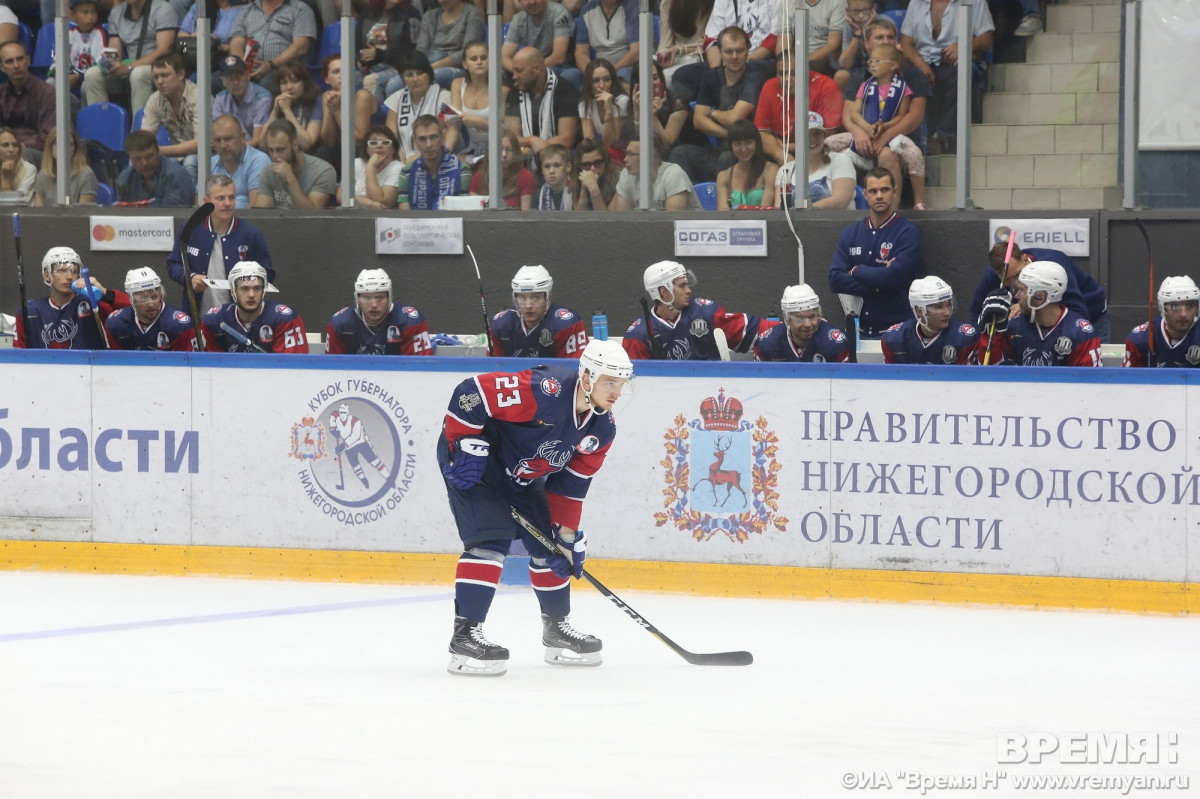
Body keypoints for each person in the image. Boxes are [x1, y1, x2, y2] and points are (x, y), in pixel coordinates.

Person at [438, 338, 634, 676]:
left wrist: (566, 536)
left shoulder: (602, 428)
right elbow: (471, 393)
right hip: (478, 461)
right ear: (587, 377)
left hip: (521, 476)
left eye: (622, 384)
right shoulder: (546, 390)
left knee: (550, 546)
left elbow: (571, 486)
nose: (617, 391)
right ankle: (465, 635)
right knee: (491, 540)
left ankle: (556, 631)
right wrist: (463, 441)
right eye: (610, 382)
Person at [825, 42, 927, 209]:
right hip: (865, 133)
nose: (872, 64)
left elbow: (901, 116)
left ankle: (917, 201)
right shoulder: (865, 86)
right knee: (827, 144)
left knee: (914, 154)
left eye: (877, 60)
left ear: (893, 65)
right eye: (870, 61)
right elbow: (854, 114)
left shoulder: (903, 89)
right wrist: (867, 128)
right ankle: (829, 194)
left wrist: (885, 126)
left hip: (893, 138)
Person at [827, 166, 921, 337]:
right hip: (857, 331)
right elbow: (835, 280)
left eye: (884, 190)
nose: (879, 195)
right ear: (865, 195)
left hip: (897, 332)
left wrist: (856, 270)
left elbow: (894, 278)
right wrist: (879, 284)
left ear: (894, 192)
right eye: (873, 191)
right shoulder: (851, 233)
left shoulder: (907, 232)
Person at [167, 174, 274, 315]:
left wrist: (247, 281)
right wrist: (190, 277)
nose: (228, 203)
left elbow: (268, 273)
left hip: (239, 319)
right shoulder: (190, 228)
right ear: (206, 201)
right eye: (221, 198)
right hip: (198, 318)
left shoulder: (251, 234)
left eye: (232, 197)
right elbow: (173, 264)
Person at [838, 17, 931, 177]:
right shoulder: (858, 75)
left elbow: (915, 116)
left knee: (886, 155)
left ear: (897, 43)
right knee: (839, 156)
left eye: (890, 37)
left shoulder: (914, 74)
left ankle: (897, 202)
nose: (886, 41)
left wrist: (886, 136)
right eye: (879, 37)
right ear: (867, 44)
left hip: (900, 140)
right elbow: (847, 115)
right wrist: (859, 134)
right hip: (863, 138)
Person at [672, 26, 765, 185]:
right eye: (729, 52)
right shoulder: (710, 77)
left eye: (740, 51)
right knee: (679, 154)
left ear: (748, 50)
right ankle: (697, 203)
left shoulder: (754, 76)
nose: (734, 57)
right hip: (718, 148)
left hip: (745, 152)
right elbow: (698, 121)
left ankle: (724, 206)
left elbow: (734, 118)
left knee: (725, 158)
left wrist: (712, 113)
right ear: (720, 52)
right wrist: (730, 135)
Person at [969, 241, 1110, 344]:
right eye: (1006, 281)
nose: (1014, 284)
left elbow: (1080, 315)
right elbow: (976, 313)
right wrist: (979, 340)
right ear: (996, 274)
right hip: (1036, 327)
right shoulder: (992, 277)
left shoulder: (1056, 265)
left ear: (1025, 259)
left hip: (1091, 313)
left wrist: (1029, 305)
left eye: (1018, 275)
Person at [900, 0, 994, 153]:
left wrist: (963, 45)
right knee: (908, 77)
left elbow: (986, 40)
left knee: (962, 73)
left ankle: (944, 137)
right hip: (922, 62)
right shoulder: (916, 3)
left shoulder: (974, 1)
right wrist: (921, 65)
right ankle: (914, 142)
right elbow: (905, 44)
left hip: (955, 61)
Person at [623, 260, 765, 360]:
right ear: (663, 291)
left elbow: (759, 331)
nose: (689, 290)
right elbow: (635, 385)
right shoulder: (639, 335)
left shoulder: (705, 312)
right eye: (682, 286)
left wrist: (784, 331)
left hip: (710, 392)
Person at [976, 260, 1101, 367]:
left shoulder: (1081, 333)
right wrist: (990, 336)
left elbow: (1088, 385)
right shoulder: (1013, 326)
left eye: (1023, 290)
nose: (1016, 295)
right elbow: (991, 375)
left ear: (1041, 297)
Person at [15, 246, 130, 350]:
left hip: (87, 371)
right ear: (47, 275)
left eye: (74, 271)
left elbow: (134, 310)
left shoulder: (92, 303)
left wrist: (104, 292)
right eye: (62, 270)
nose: (69, 277)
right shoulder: (29, 311)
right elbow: (18, 355)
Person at [81, 0, 178, 114]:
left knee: (138, 74)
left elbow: (163, 50)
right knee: (92, 74)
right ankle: (101, 125)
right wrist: (111, 62)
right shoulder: (117, 13)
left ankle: (141, 129)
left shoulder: (163, 9)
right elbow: (115, 52)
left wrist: (129, 67)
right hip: (131, 66)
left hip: (158, 66)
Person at [755, 49, 842, 165]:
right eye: (782, 73)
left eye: (793, 73)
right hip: (779, 151)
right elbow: (762, 133)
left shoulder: (826, 87)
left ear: (807, 72)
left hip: (815, 150)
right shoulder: (770, 86)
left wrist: (787, 147)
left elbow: (827, 134)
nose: (786, 79)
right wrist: (781, 154)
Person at [201, 260, 309, 353]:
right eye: (244, 289)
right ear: (233, 291)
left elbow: (293, 370)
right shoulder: (214, 320)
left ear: (264, 290)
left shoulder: (285, 320)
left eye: (257, 288)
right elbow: (208, 369)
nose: (251, 295)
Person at [326, 268, 433, 355]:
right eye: (367, 298)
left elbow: (421, 369)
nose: (374, 305)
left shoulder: (410, 321)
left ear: (389, 297)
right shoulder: (340, 324)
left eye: (379, 297)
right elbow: (332, 370)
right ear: (357, 299)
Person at [489, 265, 588, 357]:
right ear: (515, 298)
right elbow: (491, 368)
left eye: (535, 297)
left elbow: (578, 370)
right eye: (522, 298)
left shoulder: (566, 324)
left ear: (547, 297)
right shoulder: (501, 325)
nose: (528, 306)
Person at [504, 47, 581, 163]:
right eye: (513, 71)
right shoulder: (515, 92)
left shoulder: (565, 90)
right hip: (525, 152)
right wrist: (531, 141)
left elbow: (566, 138)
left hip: (558, 156)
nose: (514, 77)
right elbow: (512, 137)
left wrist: (538, 147)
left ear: (536, 69)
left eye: (519, 71)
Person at [880, 276, 979, 365]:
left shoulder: (964, 338)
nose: (947, 313)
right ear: (919, 311)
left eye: (948, 304)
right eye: (938, 307)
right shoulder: (895, 339)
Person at [227, 0, 318, 93]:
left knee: (266, 83)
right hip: (248, 68)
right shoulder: (246, 11)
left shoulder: (301, 9)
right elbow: (236, 43)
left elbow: (300, 47)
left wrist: (271, 64)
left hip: (283, 69)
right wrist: (241, 65)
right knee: (216, 80)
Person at [105, 267, 200, 351]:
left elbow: (184, 367)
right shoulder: (116, 324)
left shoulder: (179, 325)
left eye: (154, 297)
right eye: (143, 299)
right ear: (131, 300)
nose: (151, 304)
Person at [385, 52, 457, 160]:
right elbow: (391, 137)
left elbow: (446, 137)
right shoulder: (397, 98)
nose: (415, 79)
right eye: (409, 75)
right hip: (402, 161)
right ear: (403, 78)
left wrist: (412, 161)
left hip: (436, 159)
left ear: (429, 74)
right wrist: (399, 161)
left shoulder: (446, 98)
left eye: (420, 73)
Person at [141, 52, 201, 180]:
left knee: (190, 162)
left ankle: (190, 200)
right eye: (156, 77)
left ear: (180, 74)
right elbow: (144, 139)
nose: (160, 81)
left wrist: (159, 151)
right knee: (139, 161)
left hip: (204, 155)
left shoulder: (199, 96)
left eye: (165, 75)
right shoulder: (155, 99)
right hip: (175, 156)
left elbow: (200, 144)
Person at [753, 283, 849, 362]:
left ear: (818, 314)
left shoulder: (835, 344)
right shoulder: (768, 344)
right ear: (787, 319)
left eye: (812, 316)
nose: (808, 324)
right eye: (799, 318)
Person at [253, 119, 337, 208]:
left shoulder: (323, 172)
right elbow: (262, 213)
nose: (274, 156)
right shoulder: (268, 170)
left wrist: (291, 179)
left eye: (280, 150)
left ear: (295, 145)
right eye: (271, 150)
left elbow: (310, 218)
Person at [397, 115, 472, 210]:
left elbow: (464, 214)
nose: (429, 145)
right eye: (422, 139)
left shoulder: (462, 172)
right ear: (415, 142)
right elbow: (405, 216)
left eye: (433, 137)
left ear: (442, 138)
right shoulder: (406, 172)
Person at [501, 0, 580, 89]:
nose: (532, 2)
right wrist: (521, 71)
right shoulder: (518, 19)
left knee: (571, 75)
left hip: (561, 67)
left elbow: (558, 57)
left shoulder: (559, 13)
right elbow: (503, 56)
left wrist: (530, 71)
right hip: (533, 68)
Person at [1124, 276, 1200, 368]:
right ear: (1162, 308)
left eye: (1190, 305)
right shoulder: (1141, 339)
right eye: (1175, 306)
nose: (1183, 314)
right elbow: (1128, 380)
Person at [450, 41, 507, 162]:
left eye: (484, 58)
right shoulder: (457, 85)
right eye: (473, 59)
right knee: (454, 166)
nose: (479, 62)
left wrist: (479, 122)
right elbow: (454, 125)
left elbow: (507, 131)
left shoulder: (502, 90)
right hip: (473, 149)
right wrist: (445, 152)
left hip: (500, 148)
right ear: (465, 64)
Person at [612, 134, 700, 210]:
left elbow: (672, 222)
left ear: (651, 157)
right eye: (626, 153)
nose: (625, 159)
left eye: (631, 154)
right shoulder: (626, 174)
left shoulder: (673, 174)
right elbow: (623, 220)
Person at [0, 42, 56, 162]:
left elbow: (49, 137)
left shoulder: (46, 92)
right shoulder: (1, 93)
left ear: (28, 60)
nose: (16, 65)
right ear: (2, 67)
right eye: (9, 61)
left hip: (39, 153)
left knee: (24, 156)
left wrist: (18, 148)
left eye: (20, 59)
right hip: (7, 149)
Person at [357, 0, 422, 101]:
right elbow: (357, 43)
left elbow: (411, 53)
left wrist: (380, 55)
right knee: (348, 79)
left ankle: (380, 115)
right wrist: (359, 60)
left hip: (399, 67)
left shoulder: (411, 14)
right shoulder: (367, 13)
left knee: (371, 81)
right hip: (370, 66)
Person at [318, 54, 382, 154]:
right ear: (326, 79)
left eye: (345, 71)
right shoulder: (328, 96)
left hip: (371, 151)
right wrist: (331, 109)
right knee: (323, 152)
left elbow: (358, 142)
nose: (341, 76)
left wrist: (338, 112)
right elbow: (328, 142)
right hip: (344, 153)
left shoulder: (362, 96)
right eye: (336, 72)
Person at [416, 0, 485, 90]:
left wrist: (432, 67)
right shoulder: (429, 16)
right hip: (429, 64)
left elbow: (469, 53)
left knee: (429, 77)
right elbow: (421, 51)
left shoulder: (472, 14)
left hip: (458, 66)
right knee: (399, 79)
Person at [115, 129, 194, 207]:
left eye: (149, 156)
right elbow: (122, 215)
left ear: (158, 152)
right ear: (130, 159)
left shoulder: (177, 176)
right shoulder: (124, 179)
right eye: (137, 159)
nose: (145, 163)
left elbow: (175, 215)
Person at [210, 114, 271, 208]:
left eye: (228, 139)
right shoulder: (210, 164)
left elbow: (256, 211)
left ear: (242, 138)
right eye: (218, 140)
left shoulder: (258, 161)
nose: (223, 145)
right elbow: (201, 205)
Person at [213, 55, 273, 149]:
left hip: (255, 152)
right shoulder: (220, 99)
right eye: (230, 78)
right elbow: (219, 135)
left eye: (239, 76)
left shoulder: (262, 98)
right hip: (227, 150)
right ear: (223, 81)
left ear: (247, 75)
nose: (235, 82)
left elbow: (258, 141)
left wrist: (232, 148)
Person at [48, 0, 108, 93]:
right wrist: (59, 75)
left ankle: (86, 108)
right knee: (50, 83)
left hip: (88, 79)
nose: (91, 16)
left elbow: (104, 63)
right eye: (85, 12)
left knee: (86, 86)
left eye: (93, 11)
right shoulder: (68, 34)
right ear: (73, 15)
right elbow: (57, 61)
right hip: (70, 79)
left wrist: (79, 77)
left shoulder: (101, 33)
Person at [338, 125, 403, 209]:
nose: (379, 146)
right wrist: (369, 204)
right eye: (373, 143)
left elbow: (382, 203)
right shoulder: (356, 163)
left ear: (393, 149)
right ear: (366, 149)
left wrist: (370, 168)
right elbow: (341, 196)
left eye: (386, 142)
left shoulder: (398, 168)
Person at [575, 0, 640, 83]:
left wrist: (608, 73)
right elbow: (581, 52)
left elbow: (636, 52)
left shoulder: (633, 7)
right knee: (571, 76)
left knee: (621, 75)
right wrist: (591, 74)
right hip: (598, 68)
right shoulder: (587, 10)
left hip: (628, 67)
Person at [716, 119, 776, 209]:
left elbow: (765, 213)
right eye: (738, 144)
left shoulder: (771, 170)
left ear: (757, 143)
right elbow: (724, 215)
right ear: (731, 146)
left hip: (762, 222)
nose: (744, 149)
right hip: (731, 223)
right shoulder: (723, 176)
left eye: (749, 142)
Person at [469, 129, 535, 209]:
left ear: (516, 153)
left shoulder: (525, 176)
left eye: (509, 150)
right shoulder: (479, 177)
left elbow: (526, 216)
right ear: (490, 152)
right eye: (499, 149)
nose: (504, 155)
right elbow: (473, 212)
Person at [33, 127, 99, 206]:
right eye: (58, 143)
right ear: (50, 147)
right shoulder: (43, 175)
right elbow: (38, 213)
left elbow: (83, 215)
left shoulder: (86, 175)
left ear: (75, 148)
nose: (64, 148)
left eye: (69, 144)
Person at [802, 111, 855, 209]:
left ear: (824, 136)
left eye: (817, 133)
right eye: (806, 134)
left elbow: (840, 202)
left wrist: (801, 210)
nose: (812, 138)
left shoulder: (841, 160)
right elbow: (779, 210)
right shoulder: (787, 169)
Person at [578, 58, 630, 154]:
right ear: (589, 83)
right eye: (596, 80)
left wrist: (608, 109)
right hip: (604, 152)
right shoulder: (585, 104)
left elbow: (610, 142)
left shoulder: (622, 101)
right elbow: (589, 141)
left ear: (612, 81)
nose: (602, 85)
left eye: (607, 80)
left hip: (624, 151)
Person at [269, 60, 323, 152]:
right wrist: (275, 110)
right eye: (284, 83)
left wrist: (287, 111)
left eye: (294, 81)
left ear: (304, 83)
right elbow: (263, 144)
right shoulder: (278, 103)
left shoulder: (316, 101)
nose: (289, 87)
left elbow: (307, 144)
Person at [654, 0, 712, 85]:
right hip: (675, 55)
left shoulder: (713, 4)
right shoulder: (667, 3)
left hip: (698, 57)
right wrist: (663, 56)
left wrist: (680, 49)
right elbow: (665, 42)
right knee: (644, 67)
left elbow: (711, 43)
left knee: (664, 78)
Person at [573, 137, 620, 211]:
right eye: (586, 165)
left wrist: (593, 188)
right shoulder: (576, 180)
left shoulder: (619, 181)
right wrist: (584, 188)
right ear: (579, 166)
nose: (592, 169)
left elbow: (605, 221)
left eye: (597, 163)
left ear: (606, 161)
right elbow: (579, 219)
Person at [0, 128, 35, 204]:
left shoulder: (28, 169)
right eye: (5, 145)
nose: (11, 149)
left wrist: (6, 179)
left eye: (15, 145)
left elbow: (14, 207)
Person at [534, 144, 573, 210]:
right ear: (542, 170)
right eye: (547, 166)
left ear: (568, 167)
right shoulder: (538, 195)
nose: (551, 171)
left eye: (557, 165)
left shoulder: (577, 191)